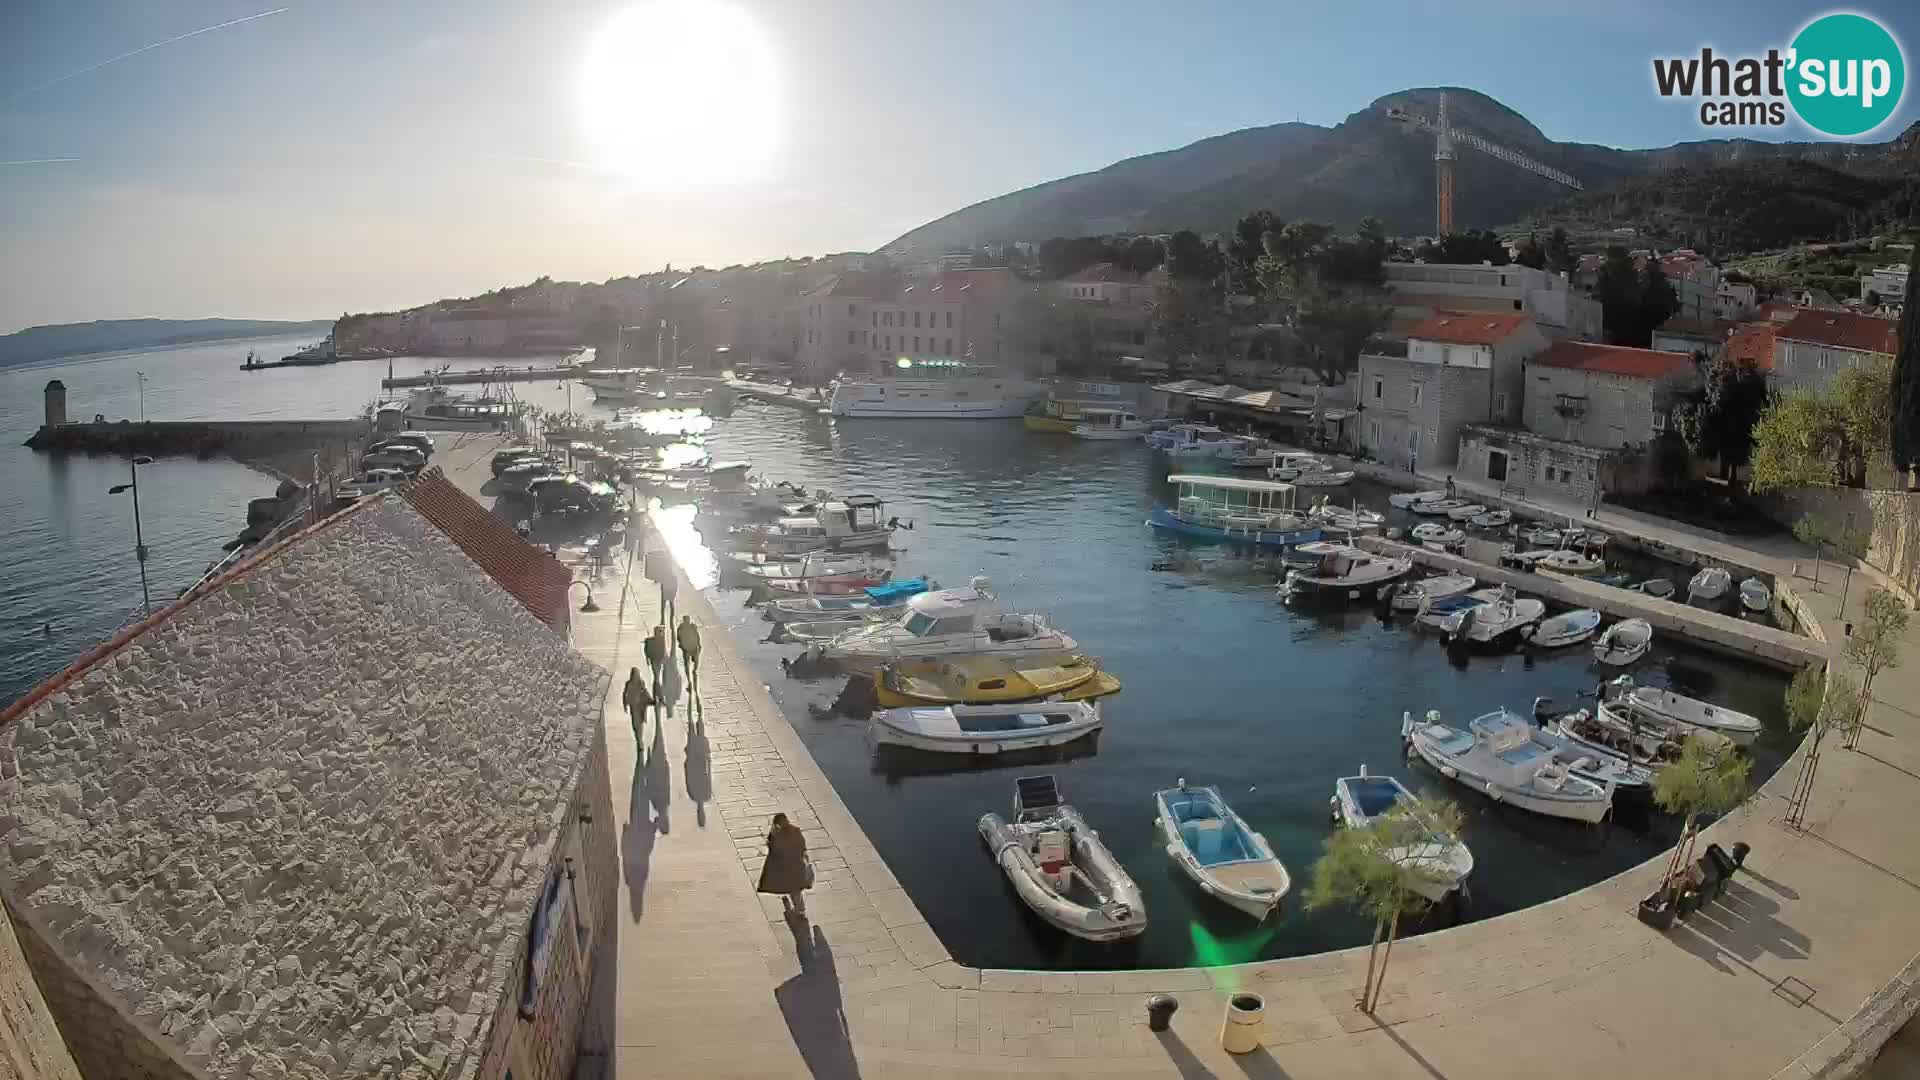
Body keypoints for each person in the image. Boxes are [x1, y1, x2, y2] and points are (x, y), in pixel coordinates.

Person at [756, 812, 811, 914]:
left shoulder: (776, 834)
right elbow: (802, 845)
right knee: (795, 887)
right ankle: (799, 907)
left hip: (784, 865)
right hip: (796, 864)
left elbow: (773, 848)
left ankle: (799, 908)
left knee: (792, 887)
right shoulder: (795, 830)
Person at [622, 667, 653, 750]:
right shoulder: (628, 683)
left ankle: (640, 741)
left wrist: (651, 700)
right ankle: (639, 740)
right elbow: (625, 694)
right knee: (636, 724)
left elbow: (645, 691)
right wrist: (625, 704)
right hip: (634, 706)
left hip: (640, 706)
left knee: (639, 724)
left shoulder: (641, 683)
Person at [676, 614, 702, 684]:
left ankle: (694, 670)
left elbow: (697, 635)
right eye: (686, 620)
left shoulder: (693, 626)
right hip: (686, 648)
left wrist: (699, 644)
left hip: (693, 647)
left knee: (696, 661)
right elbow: (678, 637)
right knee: (687, 664)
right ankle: (689, 679)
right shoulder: (681, 628)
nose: (687, 621)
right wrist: (681, 644)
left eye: (688, 620)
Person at [643, 624, 667, 688]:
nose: (660, 632)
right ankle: (657, 685)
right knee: (656, 673)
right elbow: (647, 651)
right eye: (659, 631)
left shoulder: (659, 639)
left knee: (657, 673)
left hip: (657, 659)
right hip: (655, 659)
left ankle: (657, 685)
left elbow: (663, 649)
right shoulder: (652, 640)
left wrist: (663, 658)